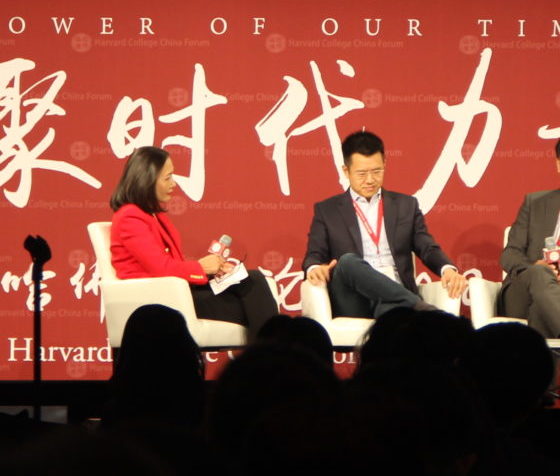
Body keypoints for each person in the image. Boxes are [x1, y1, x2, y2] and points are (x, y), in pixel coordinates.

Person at [109, 146, 278, 342]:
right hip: (160, 299)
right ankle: (273, 354)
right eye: (167, 178)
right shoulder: (130, 217)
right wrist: (201, 267)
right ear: (147, 180)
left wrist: (212, 271)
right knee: (258, 310)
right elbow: (161, 268)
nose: (173, 184)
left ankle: (270, 354)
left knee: (253, 279)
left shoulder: (153, 215)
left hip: (178, 291)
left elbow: (170, 265)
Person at [302, 130, 468, 318]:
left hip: (394, 292)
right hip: (354, 297)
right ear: (346, 171)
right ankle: (423, 309)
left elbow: (427, 247)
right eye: (362, 174)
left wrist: (447, 269)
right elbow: (313, 255)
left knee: (393, 316)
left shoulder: (406, 205)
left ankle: (408, 305)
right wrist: (314, 268)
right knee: (347, 262)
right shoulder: (327, 210)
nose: (370, 180)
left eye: (376, 171)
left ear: (385, 165)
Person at [499, 138, 560, 338]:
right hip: (523, 291)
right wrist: (535, 266)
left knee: (540, 312)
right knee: (540, 273)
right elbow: (510, 254)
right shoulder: (535, 203)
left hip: (547, 302)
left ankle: (543, 359)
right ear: (558, 164)